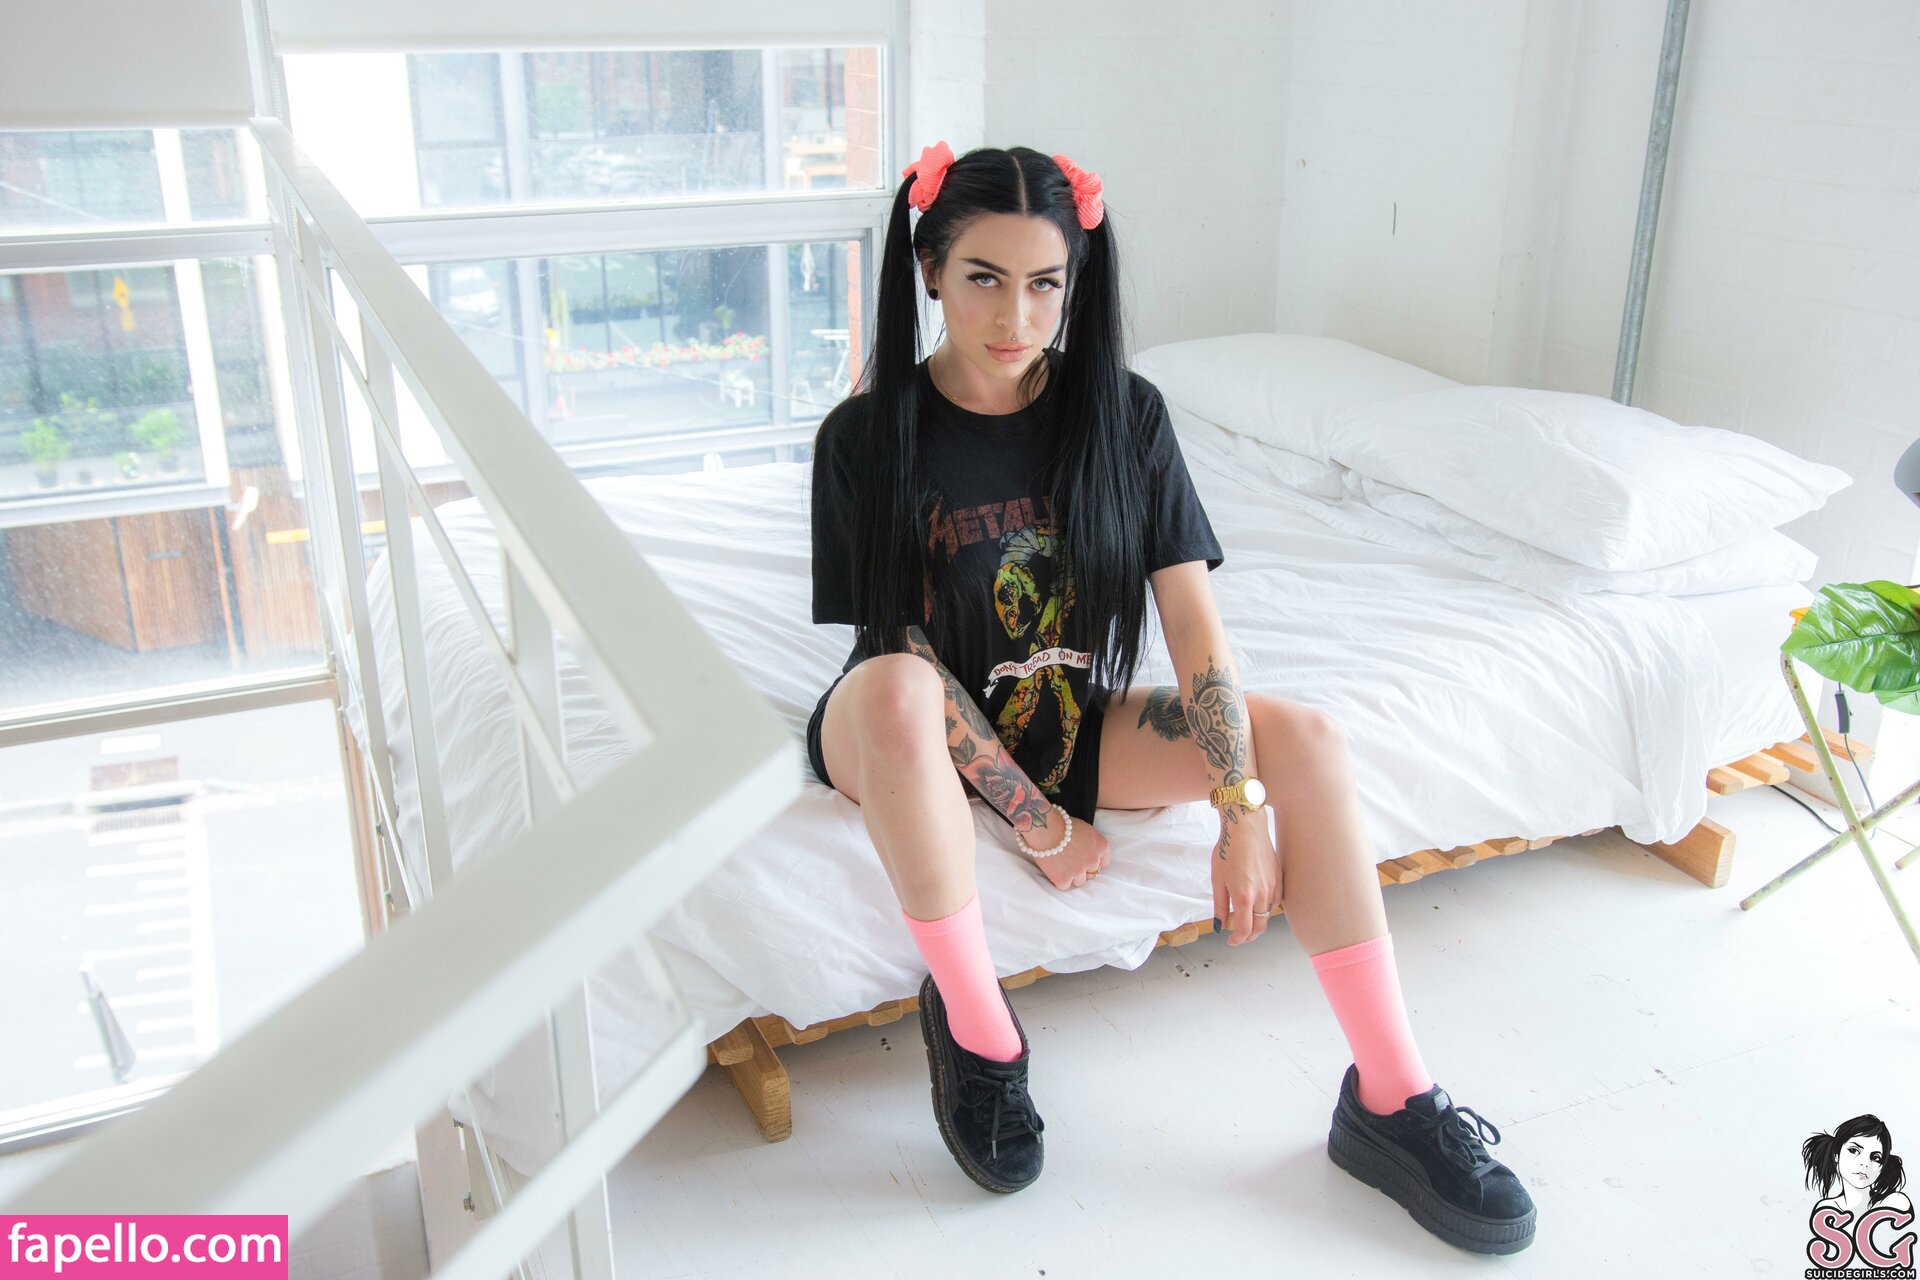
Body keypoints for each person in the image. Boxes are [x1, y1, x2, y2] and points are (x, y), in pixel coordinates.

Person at [804, 138, 1536, 1254]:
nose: (1016, 315)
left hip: (1062, 716)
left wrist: (1241, 806)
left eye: (1045, 282)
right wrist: (1038, 822)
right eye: (985, 278)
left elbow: (1192, 622)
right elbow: (897, 647)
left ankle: (1392, 1098)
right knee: (901, 685)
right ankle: (981, 1030)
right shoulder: (866, 435)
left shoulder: (1124, 415)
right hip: (895, 726)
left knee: (1309, 739)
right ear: (932, 272)